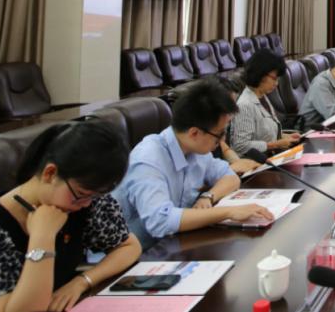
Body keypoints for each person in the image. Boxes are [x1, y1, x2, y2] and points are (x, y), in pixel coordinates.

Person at [0, 121, 141, 312]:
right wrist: (42, 239)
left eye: (94, 196)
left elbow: (128, 247)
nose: (87, 204)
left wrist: (82, 281)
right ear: (50, 173)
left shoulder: (83, 201)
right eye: (82, 195)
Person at [113, 80, 274, 248]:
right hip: (137, 254)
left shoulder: (194, 150)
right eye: (219, 134)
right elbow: (160, 222)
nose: (222, 140)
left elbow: (230, 176)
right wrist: (229, 212)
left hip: (175, 243)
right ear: (194, 133)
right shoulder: (148, 160)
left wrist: (208, 196)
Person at [230, 49, 301, 158]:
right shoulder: (245, 104)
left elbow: (264, 135)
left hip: (271, 158)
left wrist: (285, 137)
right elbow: (240, 145)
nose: (276, 83)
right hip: (255, 163)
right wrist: (275, 145)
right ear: (261, 74)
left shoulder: (262, 96)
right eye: (274, 78)